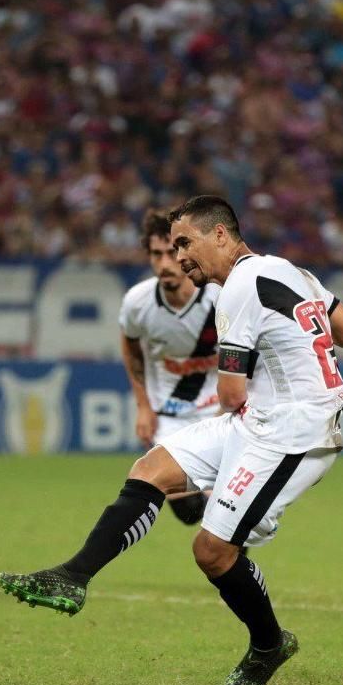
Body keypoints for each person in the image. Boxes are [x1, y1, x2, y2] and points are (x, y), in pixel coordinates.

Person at [0, 196, 343, 685]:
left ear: (220, 234)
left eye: (184, 243)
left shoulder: (237, 287)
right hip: (263, 414)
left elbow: (230, 392)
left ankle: (268, 644)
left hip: (292, 431)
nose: (178, 257)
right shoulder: (290, 271)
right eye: (173, 246)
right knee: (151, 468)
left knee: (212, 552)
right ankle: (72, 576)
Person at [119, 209, 219, 526]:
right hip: (170, 419)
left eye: (171, 253)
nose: (163, 264)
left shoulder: (219, 296)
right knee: (188, 511)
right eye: (155, 254)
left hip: (220, 413)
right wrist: (143, 406)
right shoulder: (138, 302)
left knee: (228, 512)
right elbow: (130, 345)